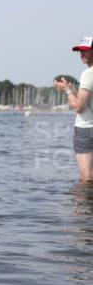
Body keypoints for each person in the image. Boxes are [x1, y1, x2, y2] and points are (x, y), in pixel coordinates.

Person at [53, 36, 93, 183]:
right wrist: (71, 89)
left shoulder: (88, 74)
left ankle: (82, 206)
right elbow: (87, 103)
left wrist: (67, 91)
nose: (82, 54)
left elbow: (78, 107)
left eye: (86, 51)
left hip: (87, 128)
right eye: (80, 51)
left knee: (86, 177)